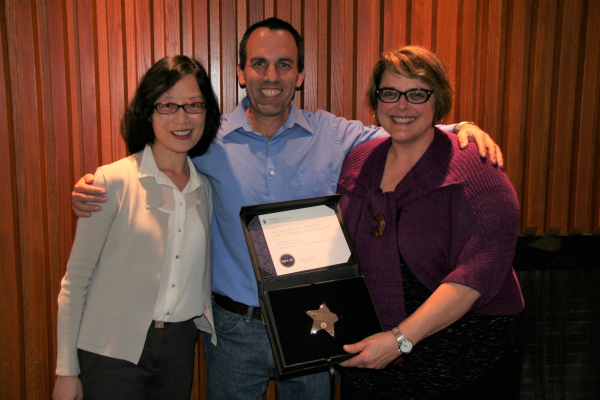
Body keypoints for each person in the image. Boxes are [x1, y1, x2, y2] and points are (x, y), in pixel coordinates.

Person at [71, 18, 504, 400]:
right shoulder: (205, 139)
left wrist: (461, 127)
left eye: (284, 64)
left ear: (299, 74)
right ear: (241, 72)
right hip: (235, 327)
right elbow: (155, 159)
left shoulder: (335, 135)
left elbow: (402, 124)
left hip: (314, 323)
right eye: (259, 63)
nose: (270, 75)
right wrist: (95, 185)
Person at [336, 46, 524, 399]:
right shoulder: (359, 160)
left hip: (461, 361)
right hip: (374, 355)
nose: (401, 105)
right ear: (374, 102)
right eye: (389, 93)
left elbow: (476, 274)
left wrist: (399, 340)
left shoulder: (477, 167)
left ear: (438, 101)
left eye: (417, 93)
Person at [53, 55, 221, 400]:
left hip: (178, 348)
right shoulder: (111, 181)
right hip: (110, 352)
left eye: (193, 104)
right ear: (148, 110)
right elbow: (75, 282)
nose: (182, 117)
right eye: (168, 105)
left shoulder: (205, 188)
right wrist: (66, 371)